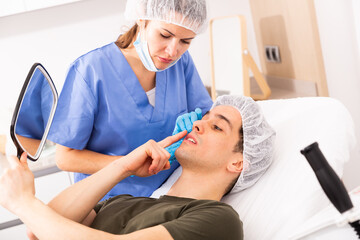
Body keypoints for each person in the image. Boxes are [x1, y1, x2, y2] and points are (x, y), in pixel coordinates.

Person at [0, 95, 276, 240]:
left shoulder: (218, 220)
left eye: (217, 126)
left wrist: (24, 203)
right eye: (204, 118)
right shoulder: (122, 202)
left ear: (238, 162)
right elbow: (40, 229)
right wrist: (123, 166)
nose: (197, 123)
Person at [47, 0, 213, 200]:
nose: (172, 51)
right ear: (142, 18)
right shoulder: (91, 70)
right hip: (111, 203)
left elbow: (204, 115)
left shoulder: (180, 63)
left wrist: (198, 126)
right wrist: (129, 165)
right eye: (165, 35)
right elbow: (65, 157)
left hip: (172, 194)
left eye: (185, 41)